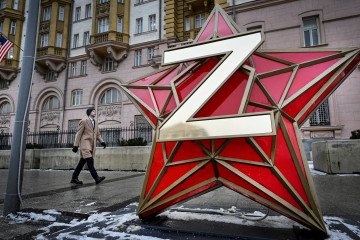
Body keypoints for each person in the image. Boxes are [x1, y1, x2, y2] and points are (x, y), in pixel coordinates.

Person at [70, 107, 107, 185]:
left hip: (92, 145)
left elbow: (97, 134)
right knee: (90, 161)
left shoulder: (95, 122)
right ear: (89, 112)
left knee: (82, 162)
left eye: (95, 111)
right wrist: (75, 145)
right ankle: (96, 178)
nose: (95, 112)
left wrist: (102, 142)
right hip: (85, 144)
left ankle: (74, 178)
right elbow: (78, 133)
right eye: (93, 111)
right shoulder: (84, 121)